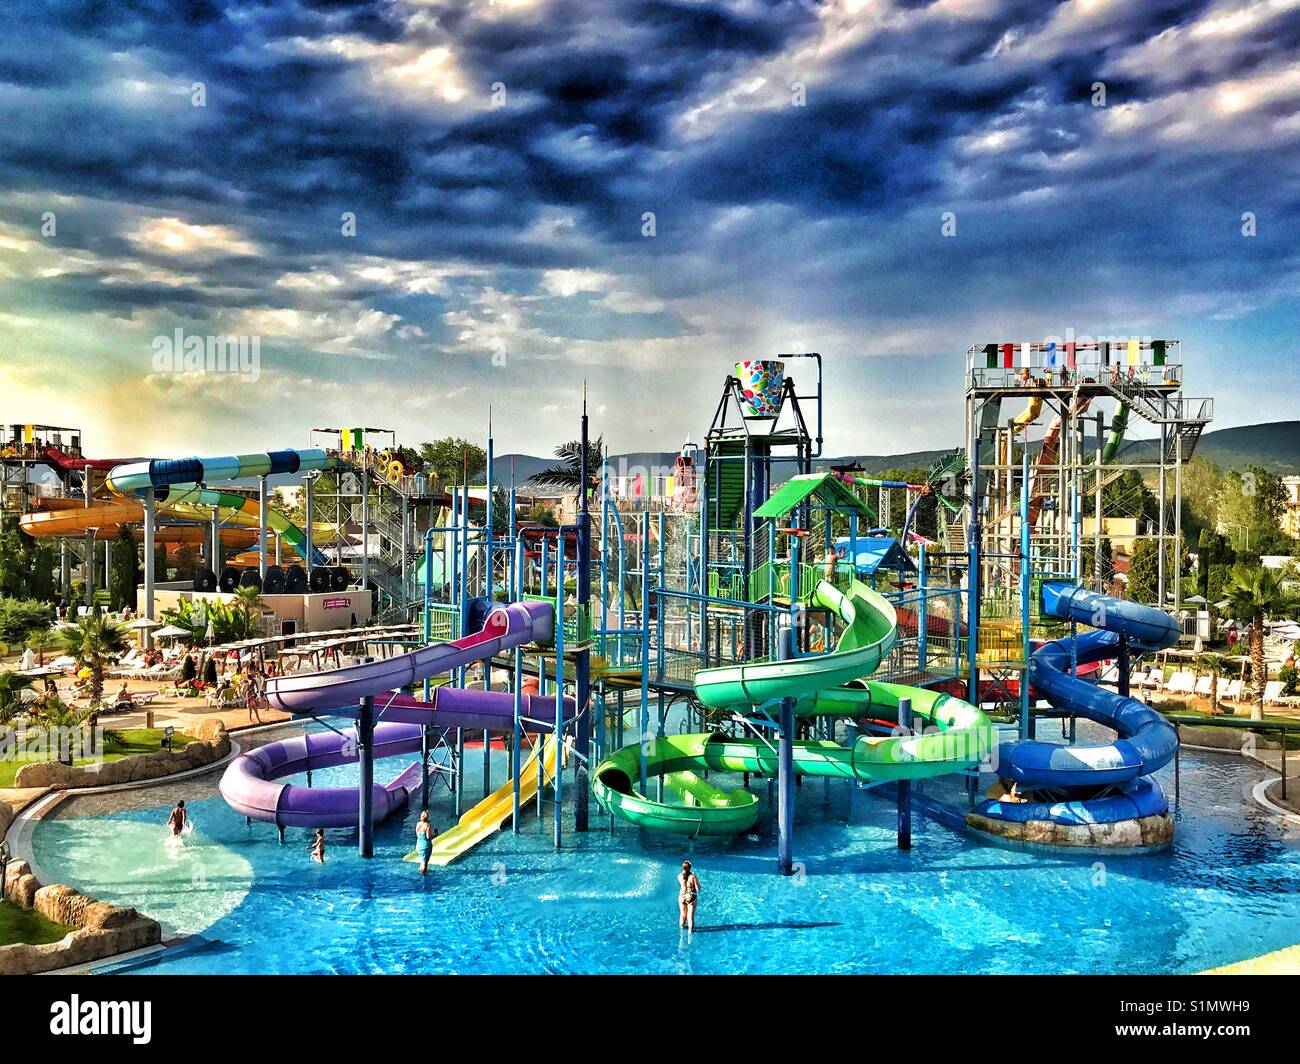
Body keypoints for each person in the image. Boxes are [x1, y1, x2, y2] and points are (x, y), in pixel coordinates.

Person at [677, 860, 700, 932]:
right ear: (690, 868)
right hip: (691, 896)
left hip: (682, 896)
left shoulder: (679, 876)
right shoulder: (693, 877)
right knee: (690, 916)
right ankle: (690, 932)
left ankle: (682, 929)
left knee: (683, 915)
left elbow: (682, 884)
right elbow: (698, 889)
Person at [414, 810, 434, 875]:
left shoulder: (418, 824)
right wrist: (434, 835)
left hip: (418, 846)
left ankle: (422, 871)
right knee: (425, 862)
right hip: (425, 846)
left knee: (422, 861)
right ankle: (423, 875)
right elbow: (428, 837)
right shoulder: (427, 825)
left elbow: (417, 835)